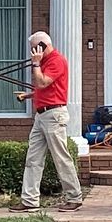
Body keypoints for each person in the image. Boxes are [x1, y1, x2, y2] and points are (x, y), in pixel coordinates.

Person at [15, 29, 82, 211]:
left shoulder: (56, 61)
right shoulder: (45, 62)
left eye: (34, 48)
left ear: (42, 46)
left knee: (61, 157)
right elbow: (46, 88)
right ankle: (29, 201)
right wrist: (30, 95)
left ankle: (74, 197)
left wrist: (36, 64)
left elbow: (43, 82)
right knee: (33, 158)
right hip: (42, 115)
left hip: (54, 115)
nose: (32, 52)